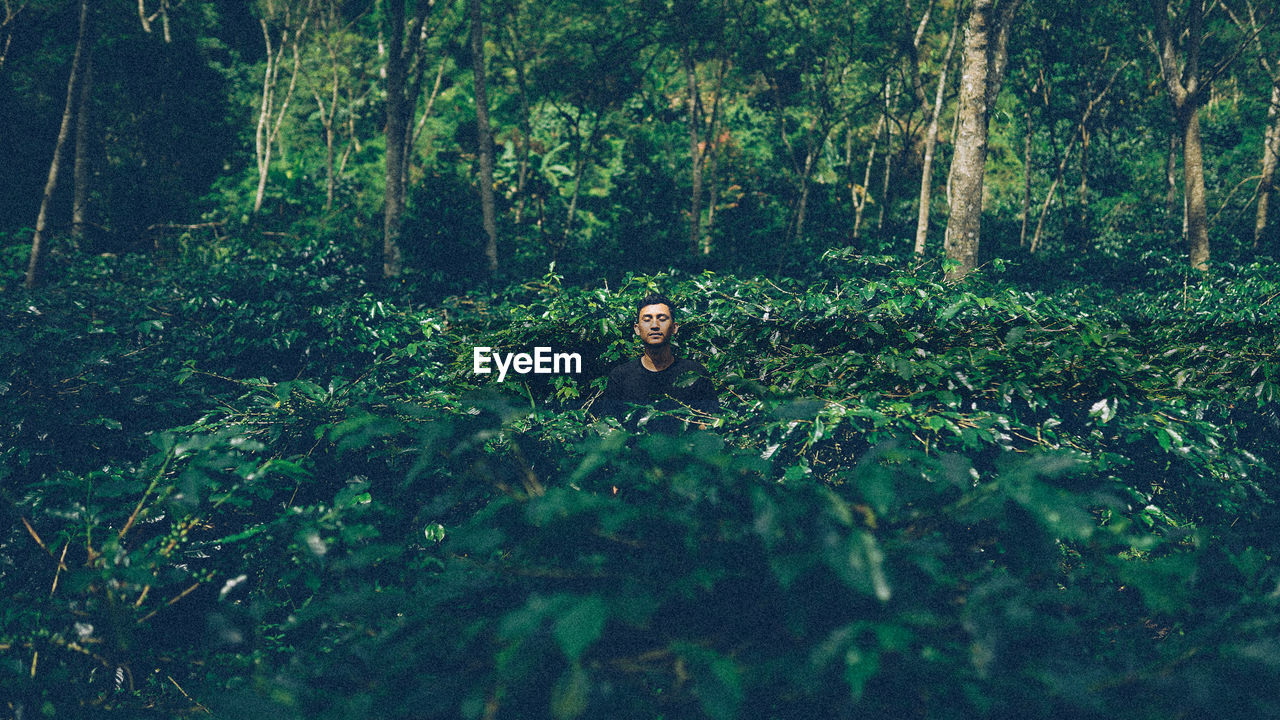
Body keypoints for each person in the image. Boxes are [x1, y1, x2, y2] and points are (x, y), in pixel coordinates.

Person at [593, 293, 719, 433]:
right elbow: (610, 427)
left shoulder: (695, 373)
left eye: (662, 319)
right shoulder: (621, 376)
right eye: (647, 320)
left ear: (674, 327)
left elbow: (710, 423)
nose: (654, 325)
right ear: (637, 329)